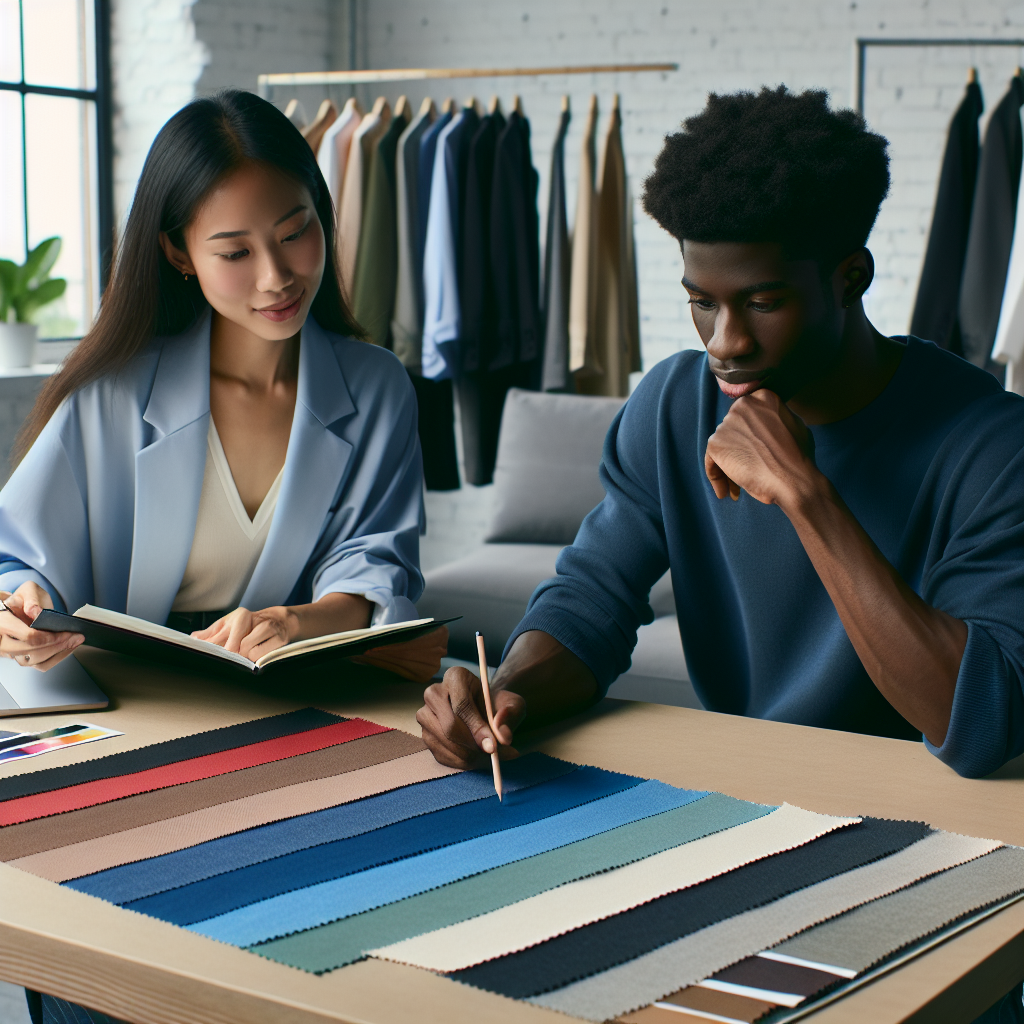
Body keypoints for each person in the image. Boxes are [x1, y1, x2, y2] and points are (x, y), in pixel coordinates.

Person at [418, 85, 1024, 786]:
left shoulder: (992, 445)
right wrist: (507, 692)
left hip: (921, 808)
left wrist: (807, 496)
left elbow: (981, 723)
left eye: (763, 303)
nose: (725, 343)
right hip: (741, 789)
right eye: (701, 303)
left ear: (850, 278)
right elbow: (591, 603)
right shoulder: (675, 404)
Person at [0, 90, 445, 679]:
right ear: (179, 252)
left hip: (300, 696)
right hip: (131, 698)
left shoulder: (378, 388)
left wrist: (290, 622)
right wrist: (19, 603)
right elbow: (19, 558)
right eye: (235, 252)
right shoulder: (109, 396)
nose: (276, 277)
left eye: (294, 233)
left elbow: (374, 568)